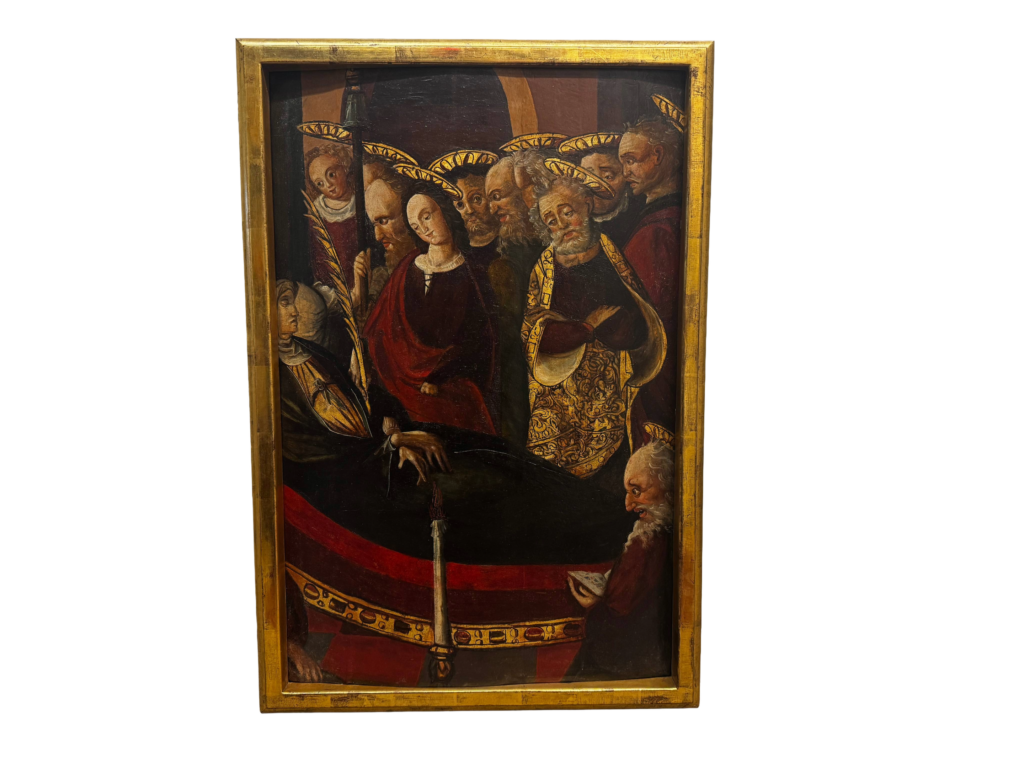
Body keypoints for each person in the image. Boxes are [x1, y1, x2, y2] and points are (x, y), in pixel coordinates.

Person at [522, 166, 665, 485]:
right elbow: (535, 336)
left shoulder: (615, 258)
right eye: (551, 220)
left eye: (567, 212)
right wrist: (587, 327)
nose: (561, 225)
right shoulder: (545, 269)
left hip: (609, 396)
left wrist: (601, 329)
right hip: (556, 402)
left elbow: (636, 329)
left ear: (587, 206)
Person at [363, 177, 497, 435]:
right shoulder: (407, 266)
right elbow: (380, 331)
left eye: (427, 216)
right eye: (415, 225)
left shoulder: (473, 273)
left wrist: (439, 375)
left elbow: (479, 340)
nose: (424, 229)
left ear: (444, 209)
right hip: (399, 385)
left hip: (449, 386)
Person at [565, 440, 674, 681]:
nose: (628, 505)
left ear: (668, 486)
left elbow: (621, 631)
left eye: (637, 491)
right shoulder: (654, 536)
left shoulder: (651, 544)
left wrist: (593, 606)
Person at [619, 99, 686, 439]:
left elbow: (650, 322)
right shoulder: (657, 220)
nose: (625, 172)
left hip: (655, 379)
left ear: (658, 155)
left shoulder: (656, 232)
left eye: (632, 160)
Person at [484, 154, 550, 445]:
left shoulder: (557, 247)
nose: (492, 208)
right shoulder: (504, 266)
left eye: (498, 197)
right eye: (489, 200)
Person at [558, 132, 641, 247]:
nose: (595, 185)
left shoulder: (639, 221)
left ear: (625, 177)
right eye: (586, 176)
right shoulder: (566, 224)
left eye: (608, 176)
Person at [304, 144, 360, 289]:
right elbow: (318, 256)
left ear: (344, 167)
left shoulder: (361, 201)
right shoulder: (317, 213)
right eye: (320, 183)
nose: (328, 185)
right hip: (333, 285)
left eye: (331, 175)